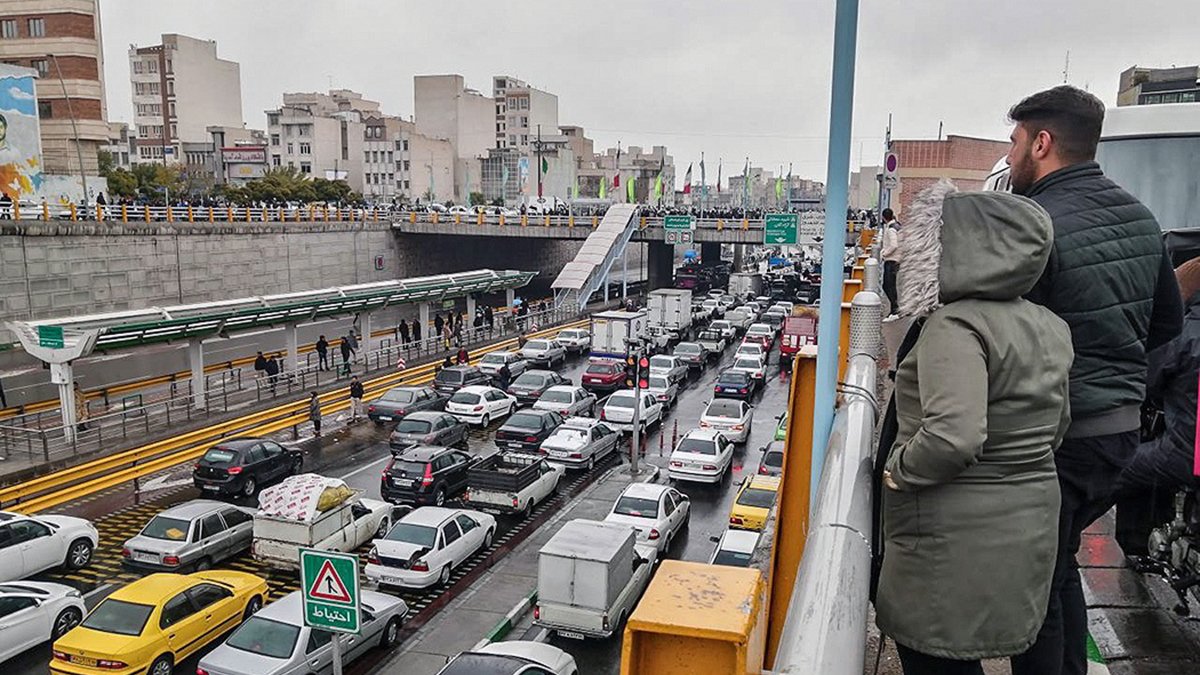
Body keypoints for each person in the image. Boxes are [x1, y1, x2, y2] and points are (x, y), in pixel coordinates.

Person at [1006, 85, 1183, 675]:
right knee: (1059, 567)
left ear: (1042, 142)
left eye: (1014, 141)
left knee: (1031, 591)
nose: (1009, 155)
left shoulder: (1034, 223)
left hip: (1057, 439)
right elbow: (1166, 325)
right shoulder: (1140, 217)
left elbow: (1010, 340)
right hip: (1119, 437)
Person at [876, 181, 1073, 675]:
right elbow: (1058, 427)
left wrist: (898, 471)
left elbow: (953, 437)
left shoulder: (955, 326)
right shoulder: (1049, 324)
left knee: (937, 654)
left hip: (948, 537)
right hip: (1028, 520)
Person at [1112, 256, 1200, 554]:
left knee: (1110, 472)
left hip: (1186, 452)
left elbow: (1147, 379)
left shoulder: (1186, 331)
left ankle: (1065, 549)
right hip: (1190, 451)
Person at [880, 208, 901, 317]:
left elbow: (894, 245)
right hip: (897, 259)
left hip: (891, 259)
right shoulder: (897, 226)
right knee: (891, 285)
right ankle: (894, 308)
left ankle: (895, 308)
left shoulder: (891, 229)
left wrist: (884, 253)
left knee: (887, 285)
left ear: (883, 217)